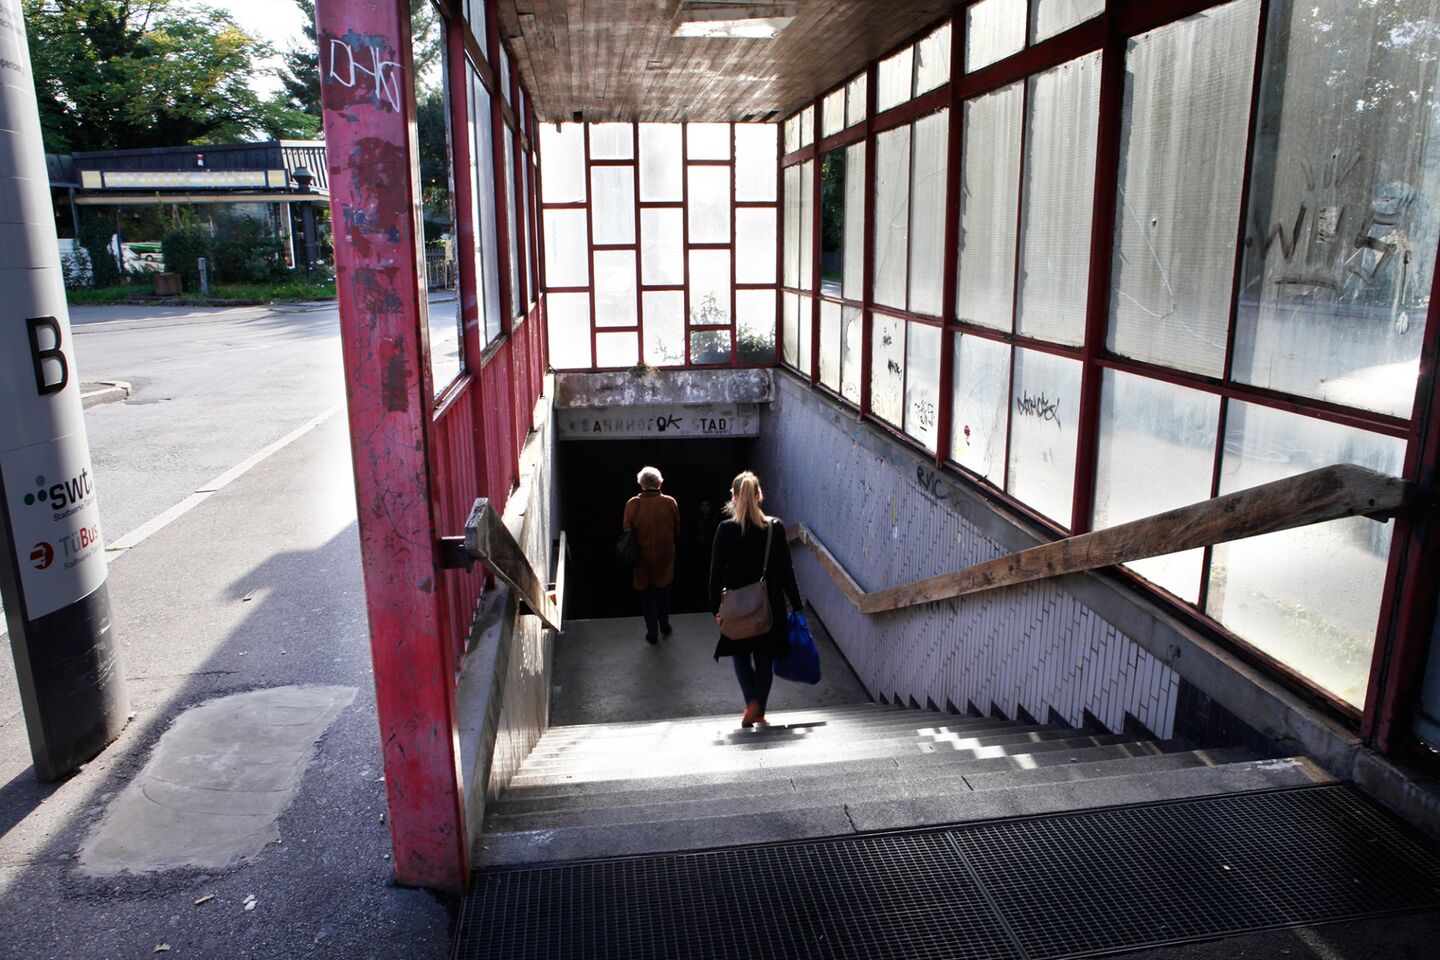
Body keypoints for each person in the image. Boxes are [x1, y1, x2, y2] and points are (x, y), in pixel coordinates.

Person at [709, 471, 802, 728]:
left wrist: (715, 609)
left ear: (734, 497)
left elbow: (715, 573)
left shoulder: (726, 529)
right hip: (768, 605)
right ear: (759, 495)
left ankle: (751, 700)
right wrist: (796, 603)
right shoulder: (775, 527)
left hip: (736, 606)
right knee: (764, 659)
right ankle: (759, 710)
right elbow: (786, 570)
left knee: (740, 656)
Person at [623, 465, 679, 645]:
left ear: (641, 484)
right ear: (659, 483)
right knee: (663, 591)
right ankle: (665, 624)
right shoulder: (670, 502)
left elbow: (626, 529)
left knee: (647, 595)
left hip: (642, 556)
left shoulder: (632, 504)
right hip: (665, 555)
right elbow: (676, 528)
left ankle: (652, 632)